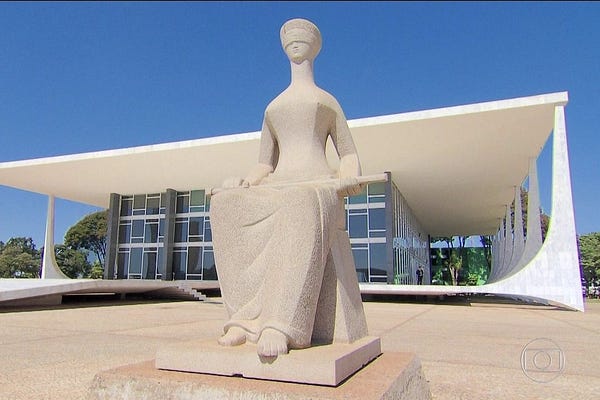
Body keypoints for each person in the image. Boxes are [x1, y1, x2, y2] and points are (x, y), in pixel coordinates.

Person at [210, 18, 367, 358]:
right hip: (278, 184)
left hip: (317, 187)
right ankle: (243, 319)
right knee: (224, 205)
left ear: (316, 47)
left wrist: (348, 175)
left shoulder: (326, 102)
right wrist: (244, 182)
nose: (295, 42)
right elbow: (264, 165)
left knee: (300, 200)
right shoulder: (273, 108)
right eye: (289, 38)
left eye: (302, 38)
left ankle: (279, 324)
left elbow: (349, 154)